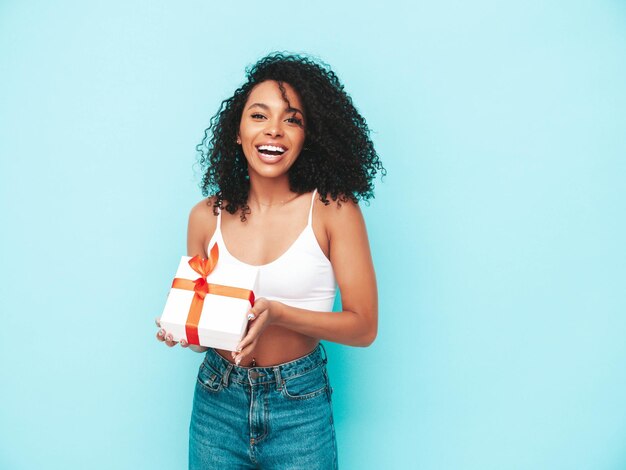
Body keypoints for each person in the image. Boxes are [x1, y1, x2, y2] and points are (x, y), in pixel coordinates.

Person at [156, 53, 384, 469]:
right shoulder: (205, 217)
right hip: (216, 399)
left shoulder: (333, 210)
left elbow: (364, 326)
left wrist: (278, 313)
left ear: (307, 136)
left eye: (292, 119)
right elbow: (206, 332)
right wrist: (183, 331)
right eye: (259, 116)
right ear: (237, 133)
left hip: (299, 404)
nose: (274, 130)